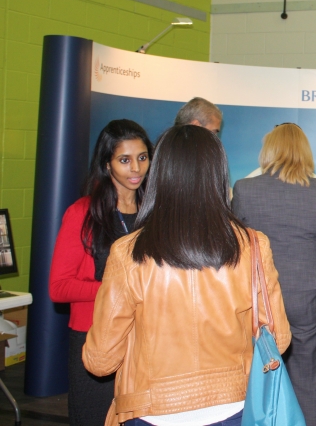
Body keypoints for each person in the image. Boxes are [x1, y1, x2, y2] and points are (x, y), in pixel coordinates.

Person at [83, 125, 291, 426]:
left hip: (151, 409)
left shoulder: (127, 253)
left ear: (159, 174)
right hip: (235, 407)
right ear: (219, 173)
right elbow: (279, 339)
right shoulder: (253, 246)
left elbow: (100, 361)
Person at [232, 123, 316, 426]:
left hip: (259, 298)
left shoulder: (244, 188)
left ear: (269, 150)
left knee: (257, 378)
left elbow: (233, 246)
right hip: (306, 296)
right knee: (311, 381)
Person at [49, 119, 153, 426]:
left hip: (146, 340)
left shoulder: (155, 211)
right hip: (95, 340)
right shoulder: (82, 213)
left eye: (143, 157)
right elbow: (59, 287)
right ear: (107, 165)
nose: (136, 168)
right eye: (125, 160)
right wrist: (119, 290)